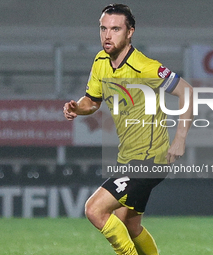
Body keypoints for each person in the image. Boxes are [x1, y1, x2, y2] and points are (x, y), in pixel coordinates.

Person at [63, 3, 193, 255]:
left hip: (149, 159)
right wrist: (78, 108)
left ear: (130, 32)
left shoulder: (144, 66)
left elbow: (186, 91)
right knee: (130, 225)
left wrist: (180, 138)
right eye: (103, 28)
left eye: (115, 29)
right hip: (129, 158)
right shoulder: (101, 61)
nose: (107, 35)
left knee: (94, 209)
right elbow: (92, 100)